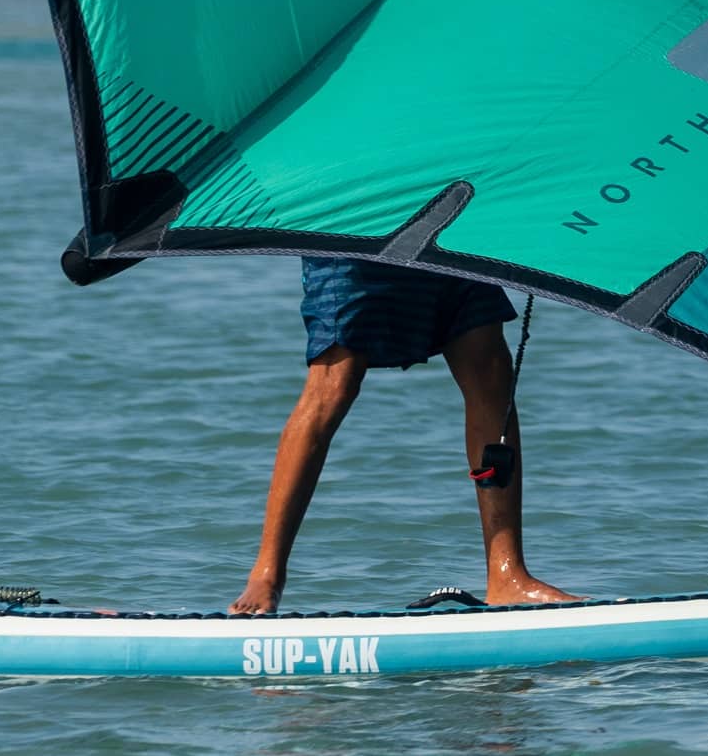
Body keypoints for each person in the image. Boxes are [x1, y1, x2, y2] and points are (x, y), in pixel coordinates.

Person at [230, 258, 576, 613]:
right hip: (360, 225)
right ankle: (266, 575)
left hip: (445, 218)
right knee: (334, 383)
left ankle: (507, 575)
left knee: (489, 369)